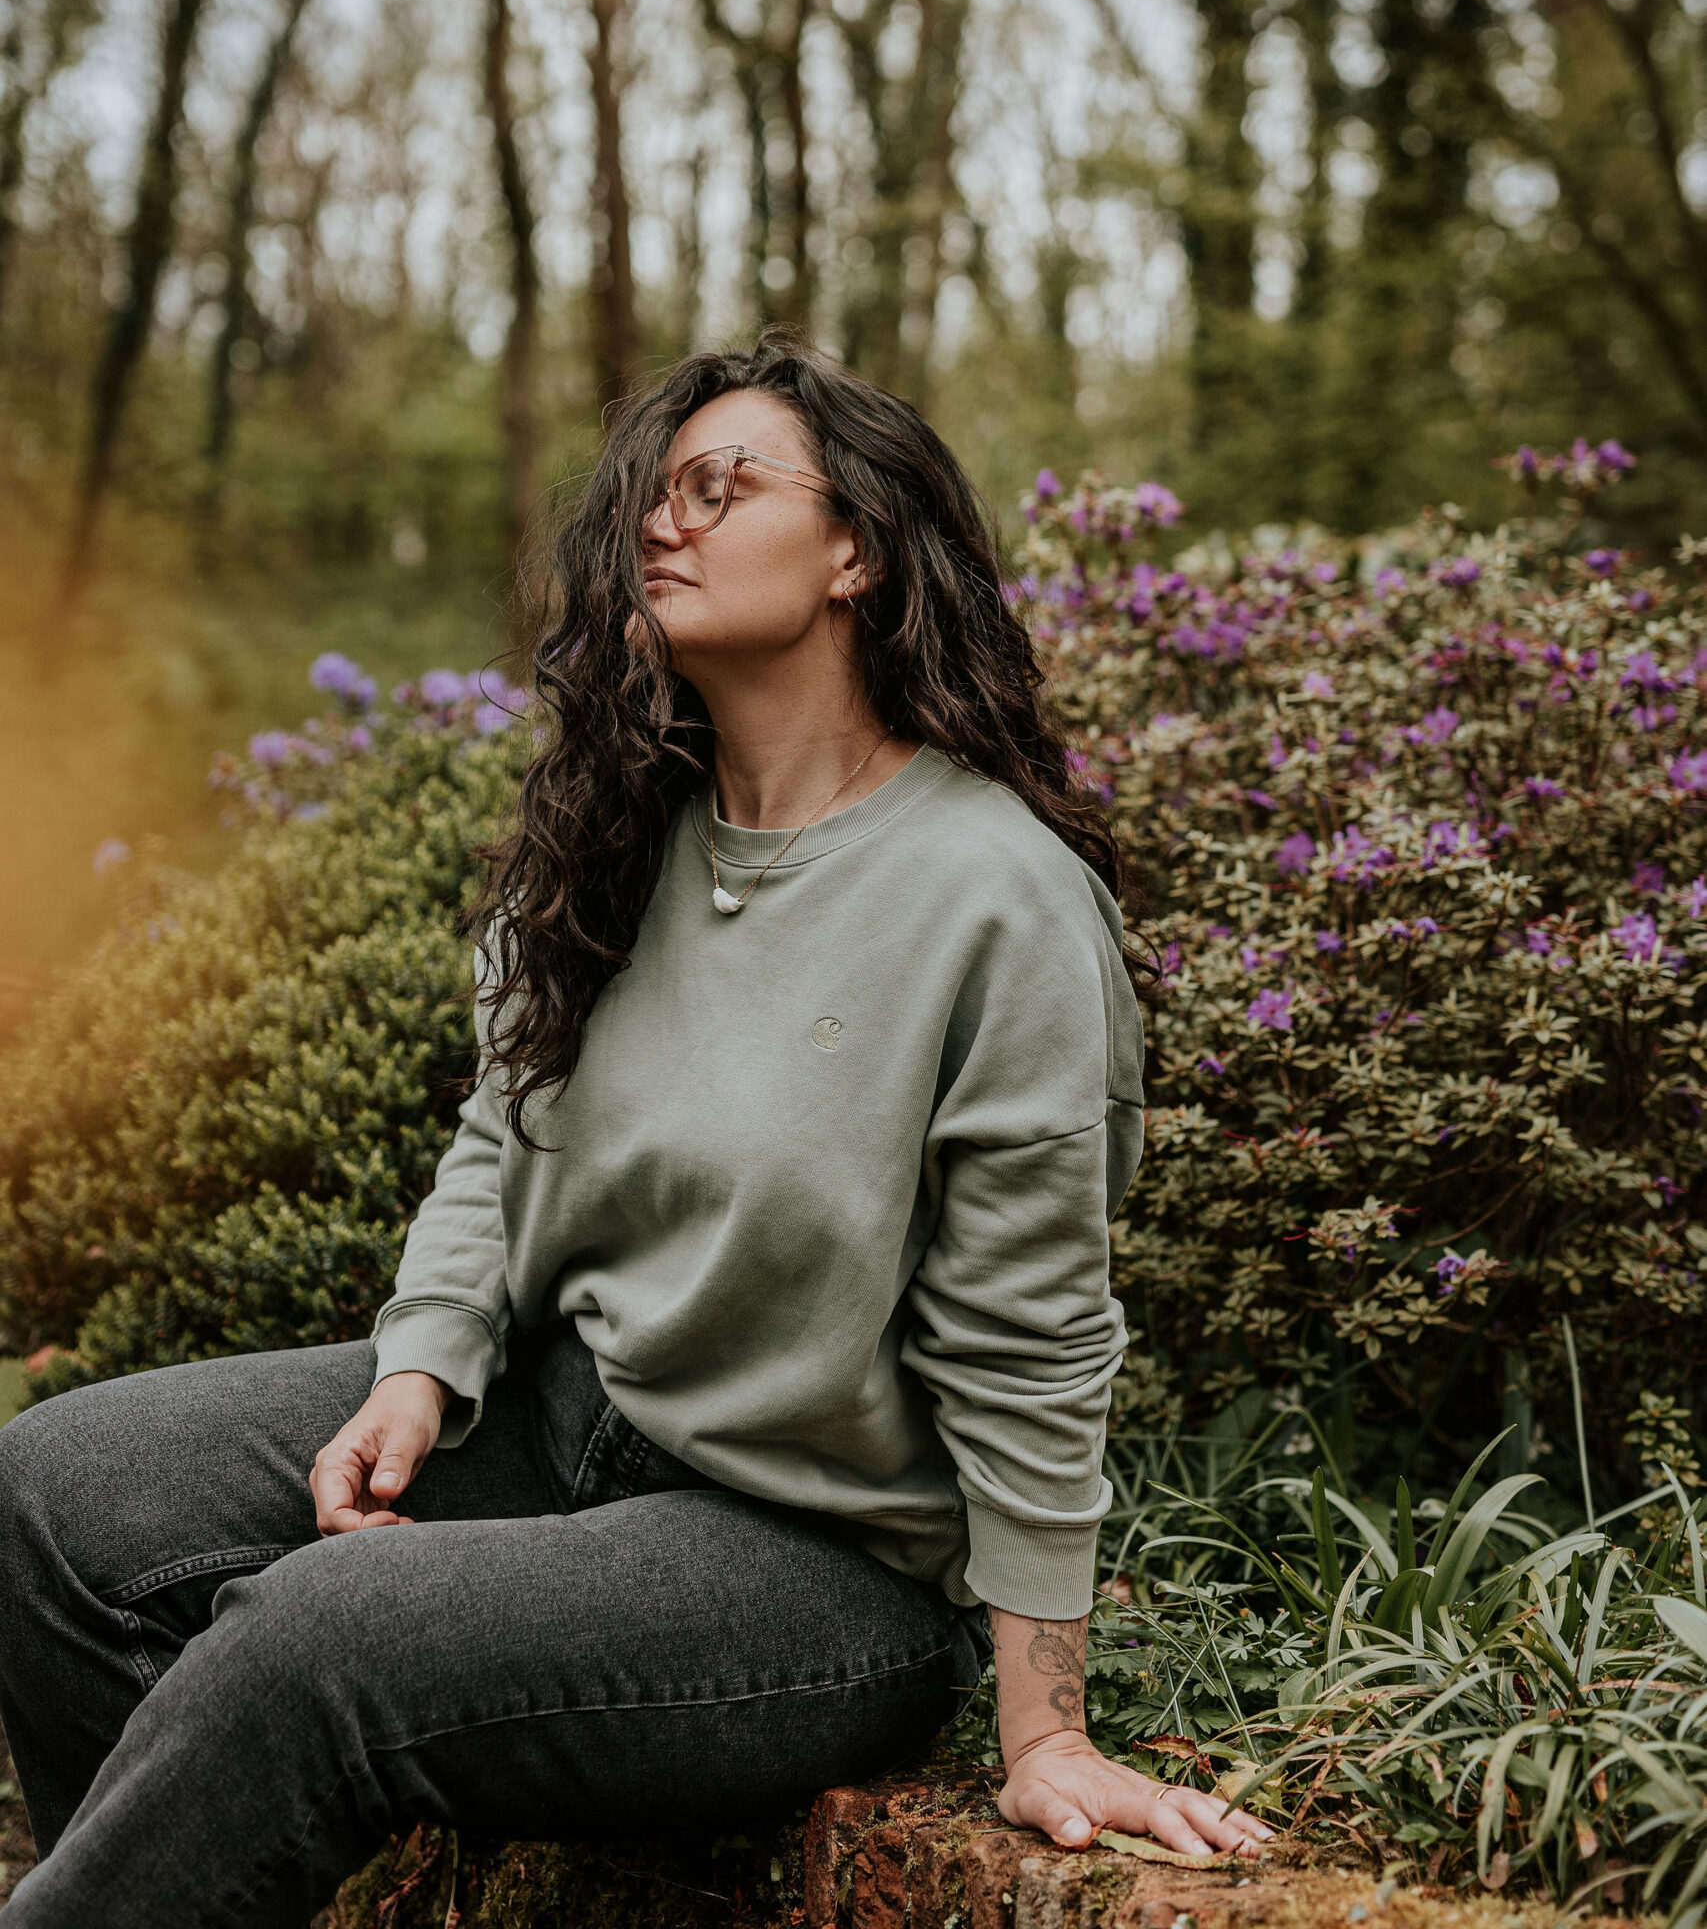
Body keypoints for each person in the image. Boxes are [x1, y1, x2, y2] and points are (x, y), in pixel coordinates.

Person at [0, 332, 1270, 1926]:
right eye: (648, 502)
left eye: (719, 487)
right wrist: (423, 1358)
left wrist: (1045, 1727)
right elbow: (503, 1122)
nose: (662, 525)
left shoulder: (992, 895)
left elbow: (1034, 1331)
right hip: (557, 1425)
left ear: (856, 550)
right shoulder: (624, 828)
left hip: (813, 1560)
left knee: (323, 1638)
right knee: (53, 1494)